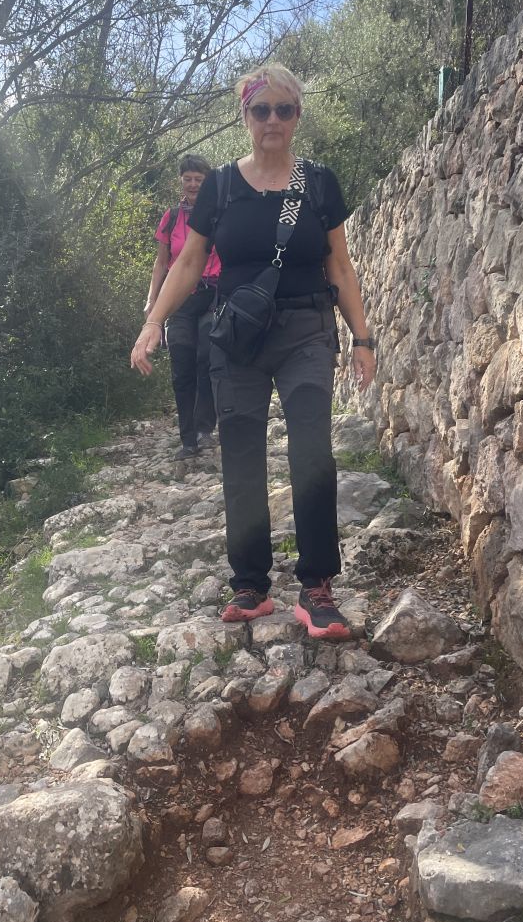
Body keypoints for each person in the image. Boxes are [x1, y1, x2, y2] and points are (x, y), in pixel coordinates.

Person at [131, 64, 376, 640]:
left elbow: (339, 265)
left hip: (307, 331)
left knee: (312, 450)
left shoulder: (318, 183)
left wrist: (361, 338)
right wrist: (153, 323)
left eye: (284, 109)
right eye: (260, 110)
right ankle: (251, 583)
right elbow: (189, 262)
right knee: (240, 453)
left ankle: (317, 588)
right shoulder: (219, 186)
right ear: (244, 116)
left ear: (297, 116)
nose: (272, 120)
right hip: (237, 338)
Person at [144, 154, 220, 460]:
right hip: (179, 299)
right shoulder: (172, 217)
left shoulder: (219, 214)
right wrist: (152, 301)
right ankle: (188, 439)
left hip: (212, 293)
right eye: (187, 179)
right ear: (181, 181)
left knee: (206, 357)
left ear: (207, 182)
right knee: (181, 364)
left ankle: (204, 426)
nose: (192, 184)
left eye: (198, 180)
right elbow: (162, 263)